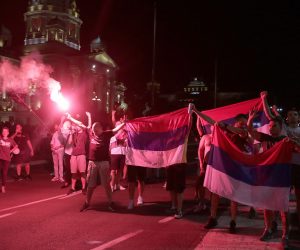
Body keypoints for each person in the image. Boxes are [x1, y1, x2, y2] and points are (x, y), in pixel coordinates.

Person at [191, 104, 254, 233]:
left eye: (244, 123)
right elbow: (210, 121)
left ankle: (233, 221)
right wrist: (196, 111)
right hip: (223, 167)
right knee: (215, 193)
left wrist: (226, 125)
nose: (242, 125)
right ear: (235, 123)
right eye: (240, 123)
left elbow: (239, 132)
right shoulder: (226, 132)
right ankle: (213, 218)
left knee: (233, 196)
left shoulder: (243, 134)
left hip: (236, 169)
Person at [80, 120, 125, 212]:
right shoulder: (91, 133)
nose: (94, 133)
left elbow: (116, 129)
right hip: (92, 163)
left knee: (106, 185)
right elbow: (80, 124)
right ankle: (87, 202)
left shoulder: (106, 134)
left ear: (100, 129)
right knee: (91, 185)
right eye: (93, 131)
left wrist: (124, 123)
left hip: (104, 163)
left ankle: (111, 203)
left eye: (96, 131)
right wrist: (70, 118)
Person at [66, 112, 91, 195]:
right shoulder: (74, 134)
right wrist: (70, 133)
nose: (75, 126)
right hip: (73, 155)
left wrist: (89, 117)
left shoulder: (84, 132)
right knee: (73, 173)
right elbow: (69, 142)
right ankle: (73, 188)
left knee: (82, 172)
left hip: (81, 154)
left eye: (77, 125)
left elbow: (87, 126)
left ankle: (84, 187)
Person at [109, 121, 127, 192]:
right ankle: (112, 185)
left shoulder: (125, 136)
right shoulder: (113, 136)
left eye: (120, 124)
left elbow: (125, 145)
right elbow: (118, 135)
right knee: (113, 171)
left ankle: (118, 184)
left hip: (122, 154)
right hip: (114, 154)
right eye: (118, 125)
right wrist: (123, 125)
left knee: (119, 171)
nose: (120, 126)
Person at [0, 127, 18, 193]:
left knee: (4, 173)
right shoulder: (0, 138)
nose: (4, 132)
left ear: (8, 133)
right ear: (2, 132)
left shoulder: (10, 140)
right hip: (0, 158)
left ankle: (3, 187)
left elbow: (16, 146)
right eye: (3, 131)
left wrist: (11, 151)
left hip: (7, 159)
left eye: (6, 131)